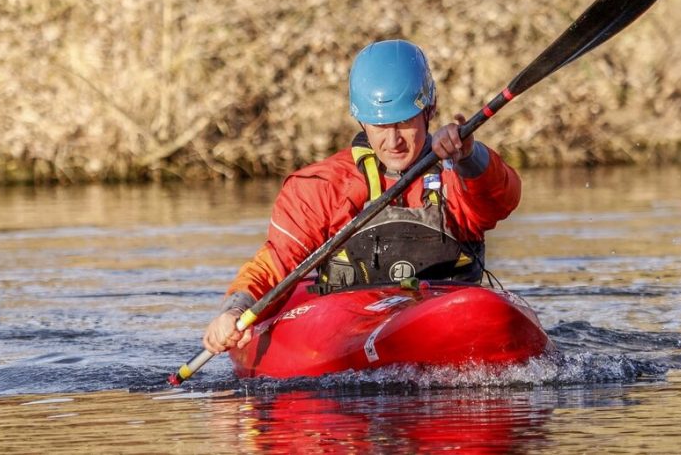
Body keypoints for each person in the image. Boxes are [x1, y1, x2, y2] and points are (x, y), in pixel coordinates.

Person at [203, 39, 521, 354]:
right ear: (361, 121)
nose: (393, 140)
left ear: (429, 110)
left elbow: (500, 199)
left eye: (405, 122)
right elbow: (278, 262)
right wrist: (235, 309)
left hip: (450, 314)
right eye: (380, 125)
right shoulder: (324, 186)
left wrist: (469, 155)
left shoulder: (457, 174)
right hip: (349, 323)